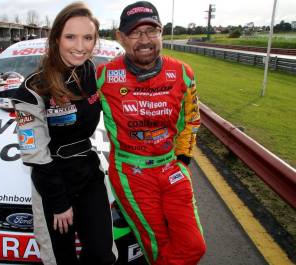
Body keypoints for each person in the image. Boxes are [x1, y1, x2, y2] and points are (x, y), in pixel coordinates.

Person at [96, 1, 206, 264]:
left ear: (162, 33)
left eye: (151, 31)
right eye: (135, 32)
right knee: (157, 246)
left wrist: (182, 159)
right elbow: (69, 101)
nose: (144, 40)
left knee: (195, 246)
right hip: (131, 173)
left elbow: (192, 119)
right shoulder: (103, 75)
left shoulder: (182, 72)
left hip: (171, 167)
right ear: (121, 38)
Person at [11, 2, 117, 265]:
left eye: (88, 37)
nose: (80, 46)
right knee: (60, 259)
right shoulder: (32, 89)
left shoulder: (95, 73)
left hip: (89, 173)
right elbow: (35, 154)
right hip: (53, 181)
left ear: (95, 41)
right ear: (56, 37)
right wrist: (58, 202)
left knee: (103, 255)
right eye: (71, 37)